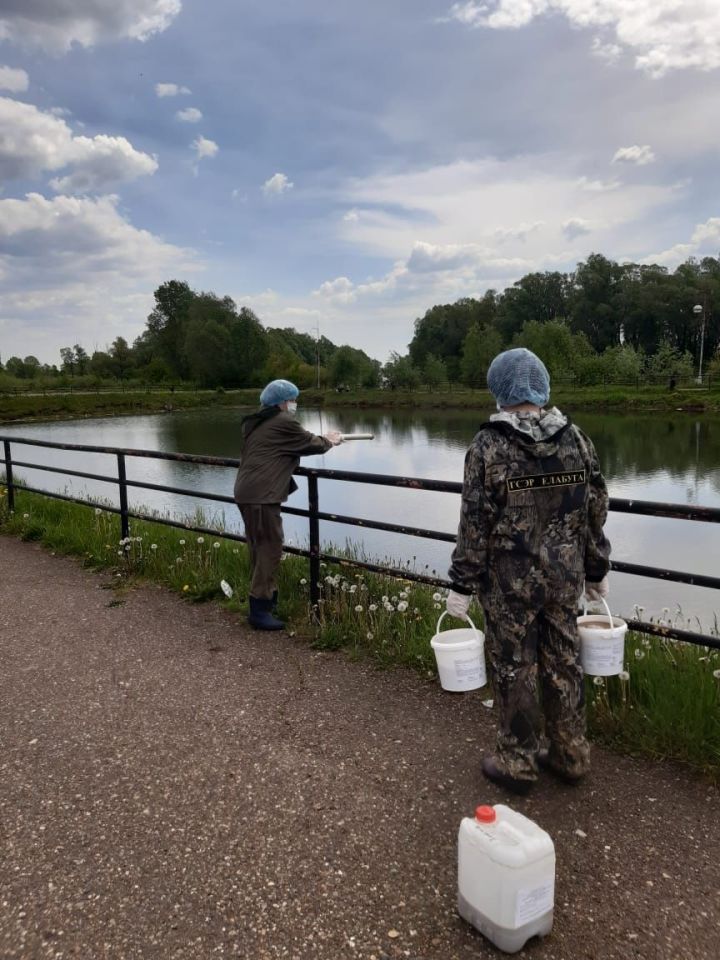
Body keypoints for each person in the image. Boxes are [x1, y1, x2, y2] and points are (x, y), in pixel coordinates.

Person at [446, 348, 611, 795]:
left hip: (510, 584)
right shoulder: (575, 439)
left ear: (498, 389)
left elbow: (474, 522)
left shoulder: (489, 445)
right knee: (564, 661)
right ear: (542, 385)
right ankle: (570, 754)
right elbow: (595, 510)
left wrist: (461, 582)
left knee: (513, 667)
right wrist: (596, 568)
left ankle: (518, 761)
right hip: (564, 579)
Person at [234, 379, 343, 631]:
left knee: (258, 546)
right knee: (270, 548)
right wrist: (330, 440)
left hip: (249, 492)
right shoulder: (283, 422)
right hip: (261, 495)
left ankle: (265, 602)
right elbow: (310, 443)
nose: (294, 404)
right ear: (282, 403)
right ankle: (259, 610)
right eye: (292, 400)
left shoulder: (259, 422)